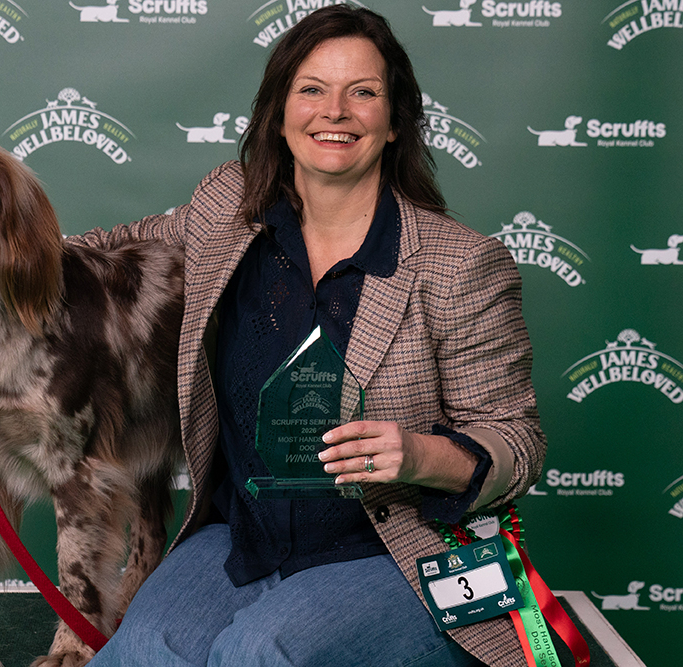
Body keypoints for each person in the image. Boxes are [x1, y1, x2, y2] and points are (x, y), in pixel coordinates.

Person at [76, 6, 545, 666]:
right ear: (278, 112)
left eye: (364, 92)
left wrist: (418, 455)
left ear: (395, 121)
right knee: (148, 649)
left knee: (258, 651)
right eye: (312, 89)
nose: (337, 111)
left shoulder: (460, 264)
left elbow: (516, 440)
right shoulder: (226, 208)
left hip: (401, 551)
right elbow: (107, 257)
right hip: (242, 536)